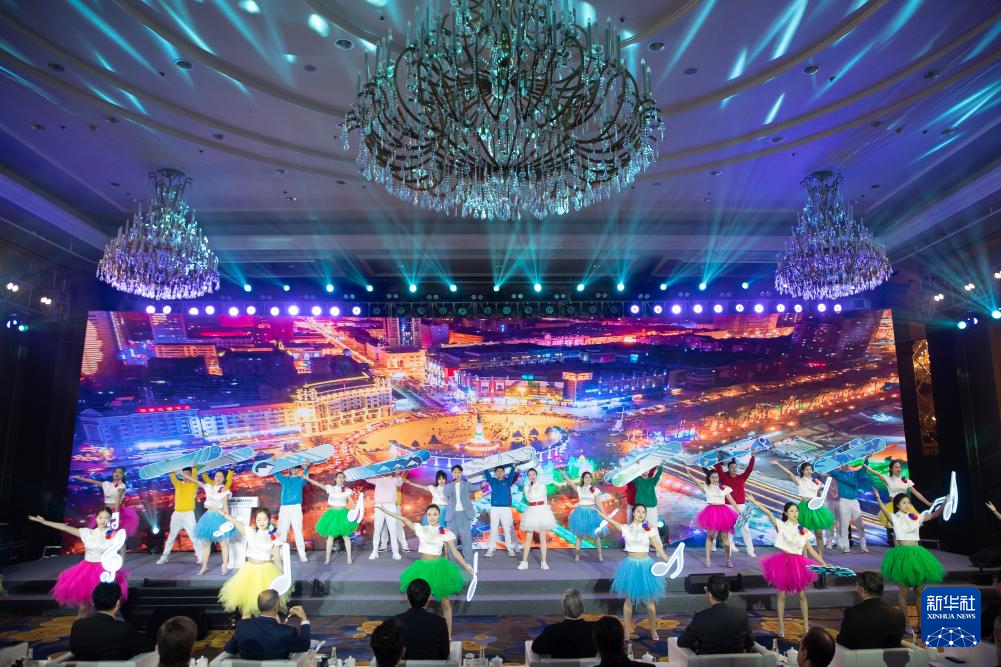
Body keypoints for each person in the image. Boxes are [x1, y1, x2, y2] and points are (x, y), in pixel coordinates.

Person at [376, 503, 473, 635]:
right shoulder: (421, 529)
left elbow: (455, 552)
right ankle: (414, 632)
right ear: (426, 516)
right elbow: (404, 519)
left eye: (435, 514)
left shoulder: (445, 532)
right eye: (429, 514)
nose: (432, 517)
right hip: (422, 568)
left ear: (439, 515)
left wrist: (466, 566)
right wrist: (385, 510)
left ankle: (448, 635)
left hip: (439, 568)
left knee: (445, 604)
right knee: (417, 603)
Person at [746, 493, 826, 637]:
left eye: (796, 511)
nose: (795, 513)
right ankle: (781, 626)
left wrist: (823, 563)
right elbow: (769, 513)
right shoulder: (781, 526)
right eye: (792, 511)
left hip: (798, 564)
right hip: (783, 562)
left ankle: (806, 626)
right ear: (786, 513)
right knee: (782, 595)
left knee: (802, 595)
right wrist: (755, 502)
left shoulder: (803, 529)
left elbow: (811, 550)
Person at [30, 508, 129, 617]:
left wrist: (118, 564)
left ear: (110, 519)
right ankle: (80, 626)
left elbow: (122, 548)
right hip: (86, 570)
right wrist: (44, 522)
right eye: (100, 517)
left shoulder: (114, 535)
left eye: (106, 518)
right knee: (84, 607)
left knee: (105, 606)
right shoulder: (87, 533)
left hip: (105, 572)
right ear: (96, 518)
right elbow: (65, 527)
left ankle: (103, 625)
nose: (103, 520)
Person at [596, 503, 672, 640]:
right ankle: (626, 632)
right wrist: (602, 515)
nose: (641, 514)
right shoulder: (627, 528)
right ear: (633, 513)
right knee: (629, 600)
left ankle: (653, 630)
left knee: (649, 601)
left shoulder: (648, 528)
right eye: (638, 511)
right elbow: (613, 522)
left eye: (643, 512)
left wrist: (665, 556)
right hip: (630, 566)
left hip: (646, 566)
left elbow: (655, 542)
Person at [875, 491, 945, 624]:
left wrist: (945, 504)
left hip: (917, 555)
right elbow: (884, 510)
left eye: (908, 502)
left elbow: (934, 515)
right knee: (904, 592)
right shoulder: (894, 518)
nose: (907, 505)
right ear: (897, 505)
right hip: (903, 556)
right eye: (903, 503)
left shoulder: (916, 517)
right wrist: (878, 498)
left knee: (920, 591)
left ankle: (921, 622)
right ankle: (906, 623)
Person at [217, 507, 287, 619]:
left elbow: (277, 558)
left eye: (264, 519)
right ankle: (245, 629)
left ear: (269, 520)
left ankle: (276, 629)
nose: (262, 522)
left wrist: (283, 572)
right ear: (255, 520)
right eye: (259, 519)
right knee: (247, 609)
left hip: (265, 572)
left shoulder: (273, 536)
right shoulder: (250, 531)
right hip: (249, 571)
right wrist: (224, 514)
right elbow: (235, 522)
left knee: (270, 609)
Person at [69, 582, 154, 660]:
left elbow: (73, 650)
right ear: (118, 603)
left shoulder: (78, 626)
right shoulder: (124, 629)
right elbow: (150, 646)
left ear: (94, 603)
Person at [677, 574, 754, 655]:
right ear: (728, 593)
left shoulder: (701, 617)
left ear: (709, 594)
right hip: (738, 661)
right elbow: (749, 643)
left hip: (706, 661)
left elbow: (682, 642)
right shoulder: (742, 615)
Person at [224, 590, 310, 659]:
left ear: (259, 606)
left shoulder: (243, 626)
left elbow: (229, 649)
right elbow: (304, 646)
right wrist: (304, 619)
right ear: (277, 606)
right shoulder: (288, 632)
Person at [181, 468, 236, 575]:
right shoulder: (209, 487)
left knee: (223, 543)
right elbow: (195, 481)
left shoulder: (224, 490)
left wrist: (227, 518)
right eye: (216, 476)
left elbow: (225, 506)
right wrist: (180, 473)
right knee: (206, 544)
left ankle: (224, 566)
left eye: (221, 476)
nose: (218, 478)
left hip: (219, 517)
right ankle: (204, 567)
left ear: (224, 479)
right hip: (208, 517)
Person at [683, 468, 740, 568]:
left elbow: (732, 501)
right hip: (711, 512)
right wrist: (689, 474)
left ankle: (728, 560)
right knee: (710, 536)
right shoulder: (706, 487)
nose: (715, 479)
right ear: (709, 478)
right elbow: (696, 482)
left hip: (723, 513)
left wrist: (740, 512)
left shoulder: (724, 488)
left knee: (725, 539)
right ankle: (708, 559)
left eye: (716, 477)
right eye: (713, 477)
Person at [773, 462, 834, 555]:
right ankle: (804, 557)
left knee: (819, 534)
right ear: (802, 471)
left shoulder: (816, 481)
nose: (809, 471)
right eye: (806, 469)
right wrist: (778, 464)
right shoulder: (799, 480)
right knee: (803, 533)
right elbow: (789, 474)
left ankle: (820, 556)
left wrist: (821, 501)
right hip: (805, 507)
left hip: (816, 507)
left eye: (810, 469)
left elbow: (819, 493)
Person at [837, 571, 905, 649]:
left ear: (862, 590)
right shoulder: (899, 615)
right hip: (891, 656)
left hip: (859, 656)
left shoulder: (852, 613)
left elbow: (842, 641)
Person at [867, 459, 932, 540]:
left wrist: (928, 503)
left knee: (908, 529)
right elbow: (876, 473)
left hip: (905, 507)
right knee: (897, 531)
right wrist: (867, 467)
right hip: (894, 507)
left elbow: (916, 493)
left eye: (900, 467)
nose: (899, 469)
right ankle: (897, 545)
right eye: (896, 467)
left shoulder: (905, 480)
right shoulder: (888, 479)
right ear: (891, 469)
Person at [305, 471, 360, 565]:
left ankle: (349, 558)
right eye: (339, 477)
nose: (341, 479)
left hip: (343, 514)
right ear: (335, 479)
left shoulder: (347, 490)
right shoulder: (331, 488)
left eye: (343, 477)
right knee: (330, 537)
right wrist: (307, 478)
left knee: (346, 536)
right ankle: (327, 559)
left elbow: (351, 501)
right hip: (332, 514)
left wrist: (356, 511)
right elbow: (318, 484)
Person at [74, 466, 141, 538]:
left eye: (120, 473)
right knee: (101, 532)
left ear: (122, 475)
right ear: (113, 473)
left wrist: (116, 515)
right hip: (106, 511)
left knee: (113, 534)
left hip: (116, 512)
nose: (117, 474)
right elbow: (93, 481)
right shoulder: (106, 484)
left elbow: (118, 500)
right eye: (116, 472)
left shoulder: (122, 486)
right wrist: (80, 478)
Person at [392, 579, 450, 661]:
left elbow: (390, 653)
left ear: (406, 596)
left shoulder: (394, 622)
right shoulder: (440, 622)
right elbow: (444, 654)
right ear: (429, 597)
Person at [531, 589, 597, 659]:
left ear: (563, 609)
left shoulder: (552, 631)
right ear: (582, 607)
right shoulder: (596, 629)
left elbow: (536, 648)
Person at [158, 466, 202, 565]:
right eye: (183, 473)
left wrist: (194, 468)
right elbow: (172, 475)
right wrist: (170, 465)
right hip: (177, 514)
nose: (184, 475)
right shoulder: (178, 484)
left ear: (191, 475)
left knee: (194, 536)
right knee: (171, 536)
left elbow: (195, 477)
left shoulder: (194, 485)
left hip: (188, 514)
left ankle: (201, 557)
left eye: (187, 474)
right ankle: (164, 557)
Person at [714, 456, 756, 557]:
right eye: (732, 467)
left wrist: (753, 457)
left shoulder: (741, 478)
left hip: (741, 506)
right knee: (729, 529)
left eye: (735, 467)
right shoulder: (724, 477)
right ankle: (729, 548)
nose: (734, 469)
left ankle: (750, 550)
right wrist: (715, 456)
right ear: (728, 469)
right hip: (728, 506)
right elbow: (718, 468)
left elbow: (749, 469)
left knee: (745, 528)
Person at [827, 461, 871, 555]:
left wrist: (866, 459)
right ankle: (846, 547)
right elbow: (828, 468)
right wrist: (824, 459)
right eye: (844, 463)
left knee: (860, 525)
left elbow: (863, 469)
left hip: (854, 501)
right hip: (843, 501)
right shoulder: (838, 473)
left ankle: (863, 546)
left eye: (847, 463)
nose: (846, 465)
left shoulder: (854, 473)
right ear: (841, 465)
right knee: (844, 526)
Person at [519, 468, 557, 570]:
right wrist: (531, 488)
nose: (532, 476)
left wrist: (546, 512)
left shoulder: (542, 485)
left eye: (533, 474)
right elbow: (529, 498)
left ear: (536, 475)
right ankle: (524, 562)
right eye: (530, 475)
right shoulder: (527, 487)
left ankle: (543, 562)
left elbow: (544, 499)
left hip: (542, 510)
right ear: (528, 477)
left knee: (542, 536)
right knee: (528, 537)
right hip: (531, 510)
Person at [568, 471, 607, 563]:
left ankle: (600, 555)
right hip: (581, 513)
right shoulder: (579, 488)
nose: (588, 479)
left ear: (591, 479)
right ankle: (577, 556)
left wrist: (604, 515)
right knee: (579, 535)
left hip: (592, 513)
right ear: (583, 479)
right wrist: (565, 475)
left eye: (589, 477)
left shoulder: (594, 489)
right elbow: (571, 483)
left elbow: (598, 503)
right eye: (586, 477)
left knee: (596, 535)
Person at [274, 465, 310, 563]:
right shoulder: (285, 480)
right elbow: (276, 473)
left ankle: (302, 555)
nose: (294, 469)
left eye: (296, 468)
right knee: (282, 531)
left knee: (298, 531)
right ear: (290, 469)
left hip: (296, 507)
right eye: (292, 468)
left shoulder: (300, 480)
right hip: (285, 508)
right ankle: (281, 554)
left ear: (299, 469)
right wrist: (274, 464)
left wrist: (306, 468)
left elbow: (305, 477)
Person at [485, 464, 519, 557]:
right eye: (498, 471)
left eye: (501, 471)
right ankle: (491, 549)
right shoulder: (492, 481)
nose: (499, 473)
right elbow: (487, 474)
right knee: (493, 529)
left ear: (504, 472)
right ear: (495, 473)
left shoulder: (508, 481)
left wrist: (513, 467)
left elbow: (511, 475)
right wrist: (485, 464)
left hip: (506, 508)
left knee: (507, 529)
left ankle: (510, 549)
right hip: (494, 508)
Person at [444, 465, 477, 561]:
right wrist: (454, 483)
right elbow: (447, 493)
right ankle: (452, 561)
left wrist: (482, 485)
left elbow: (474, 487)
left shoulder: (466, 484)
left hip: (464, 515)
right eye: (455, 472)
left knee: (466, 539)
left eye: (459, 472)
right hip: (452, 515)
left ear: (461, 473)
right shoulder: (448, 485)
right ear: (452, 474)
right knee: (452, 539)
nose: (457, 474)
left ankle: (468, 561)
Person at [369, 472, 404, 560]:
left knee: (393, 530)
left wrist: (398, 474)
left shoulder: (395, 478)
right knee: (377, 529)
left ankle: (395, 552)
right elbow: (367, 479)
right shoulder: (378, 478)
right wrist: (372, 471)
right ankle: (374, 551)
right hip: (379, 505)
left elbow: (400, 483)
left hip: (391, 505)